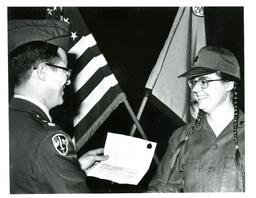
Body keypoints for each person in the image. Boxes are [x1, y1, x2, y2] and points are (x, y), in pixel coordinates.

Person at [9, 19, 108, 193]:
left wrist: (71, 168)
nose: (68, 80)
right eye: (65, 70)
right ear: (42, 72)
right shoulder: (48, 139)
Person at [148, 46, 245, 192]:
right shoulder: (181, 137)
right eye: (194, 82)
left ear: (229, 84)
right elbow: (162, 188)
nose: (195, 89)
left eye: (204, 81)